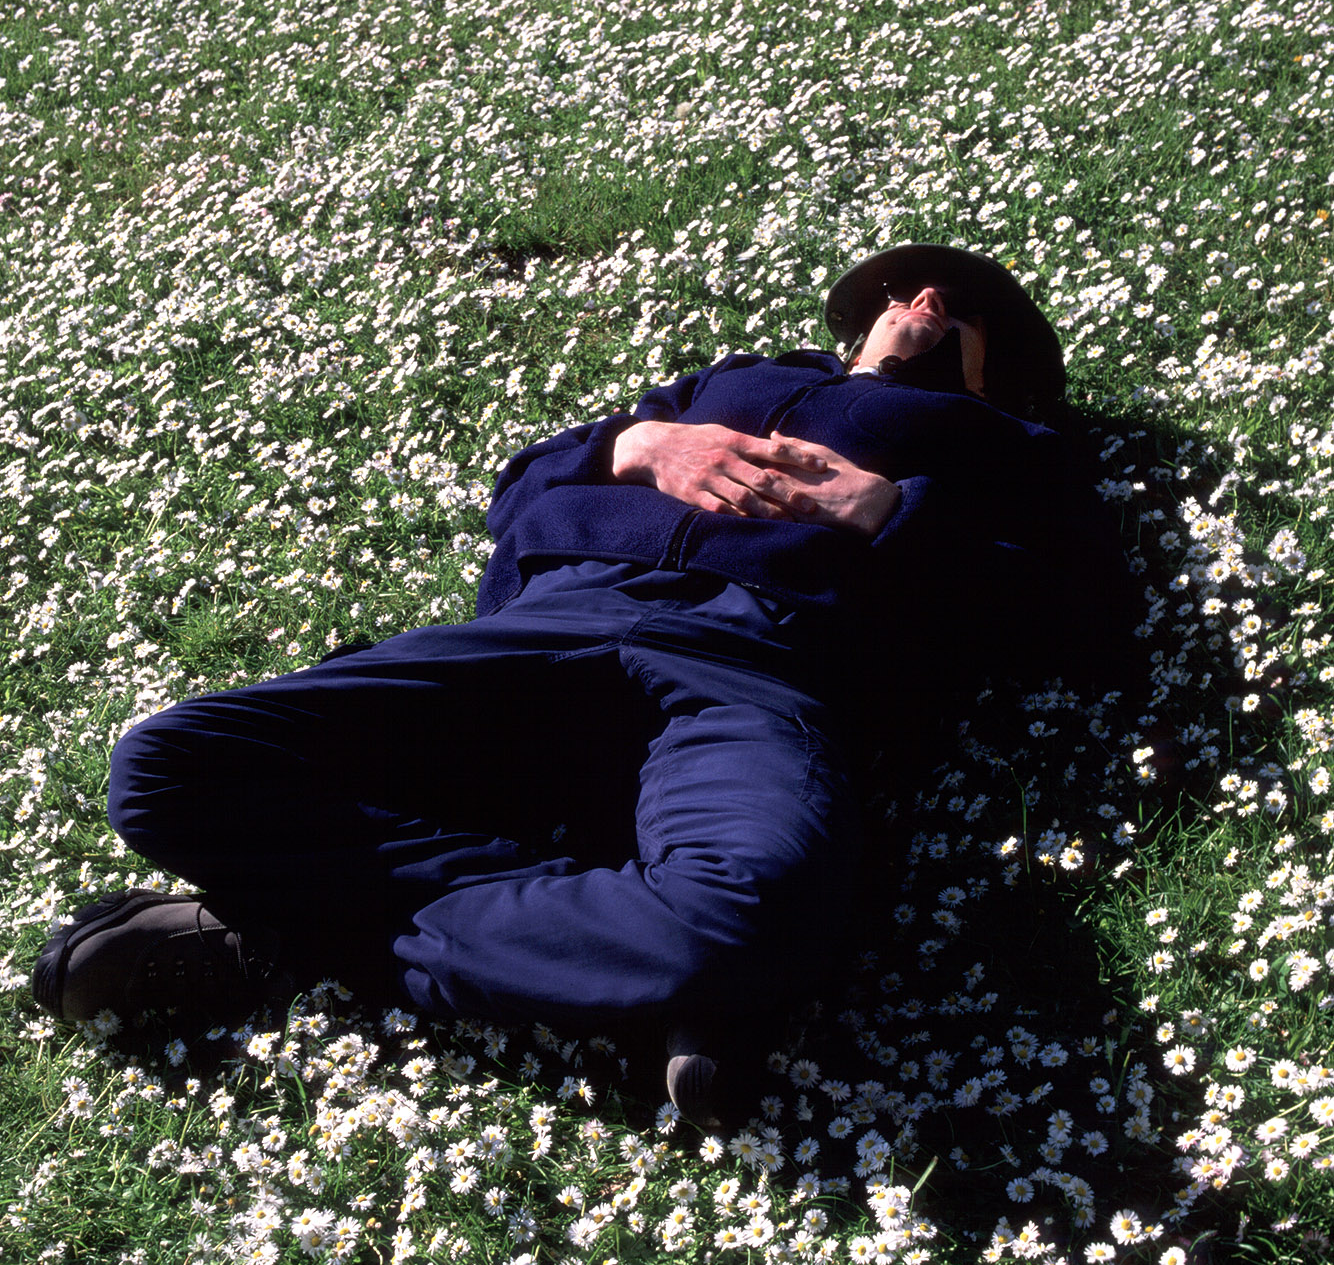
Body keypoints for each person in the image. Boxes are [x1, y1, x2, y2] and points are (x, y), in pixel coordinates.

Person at [32, 244, 1138, 1127]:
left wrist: (889, 512)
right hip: (547, 630)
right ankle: (630, 978)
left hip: (756, 665)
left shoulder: (1010, 448)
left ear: (996, 370)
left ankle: (285, 941)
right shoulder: (734, 382)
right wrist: (640, 445)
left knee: (741, 919)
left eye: (959, 306)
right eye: (901, 287)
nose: (920, 299)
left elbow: (1083, 613)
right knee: (169, 769)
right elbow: (519, 486)